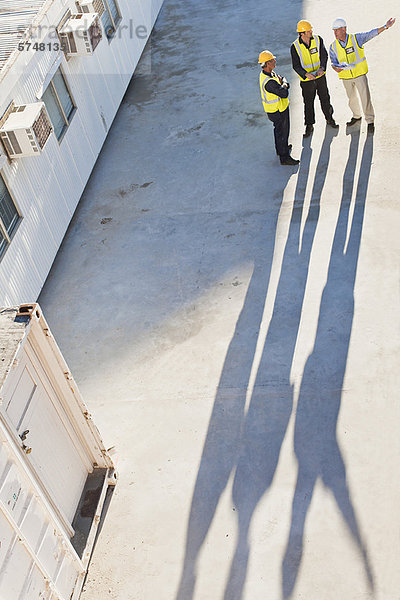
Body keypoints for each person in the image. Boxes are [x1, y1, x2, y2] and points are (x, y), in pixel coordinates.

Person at [329, 17, 396, 133]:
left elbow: (371, 34)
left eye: (337, 30)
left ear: (344, 29)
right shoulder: (333, 46)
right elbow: (333, 62)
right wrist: (336, 68)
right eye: (333, 30)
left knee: (365, 98)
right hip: (345, 77)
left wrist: (385, 27)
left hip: (359, 74)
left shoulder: (356, 39)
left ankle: (370, 121)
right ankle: (356, 116)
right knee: (351, 99)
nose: (335, 33)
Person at [291, 20, 339, 138]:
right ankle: (309, 125)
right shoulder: (295, 47)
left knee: (325, 98)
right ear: (302, 33)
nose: (311, 31)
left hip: (320, 77)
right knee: (308, 103)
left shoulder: (318, 39)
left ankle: (329, 118)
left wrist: (322, 68)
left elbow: (324, 55)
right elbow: (296, 65)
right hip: (307, 81)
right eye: (309, 30)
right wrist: (306, 74)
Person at [258, 50, 299, 166]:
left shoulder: (270, 74)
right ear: (267, 64)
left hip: (277, 109)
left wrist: (284, 83)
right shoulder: (269, 82)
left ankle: (281, 149)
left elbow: (283, 80)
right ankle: (284, 157)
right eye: (272, 60)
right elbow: (284, 92)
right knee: (283, 132)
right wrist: (284, 84)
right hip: (278, 111)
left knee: (278, 131)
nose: (275, 61)